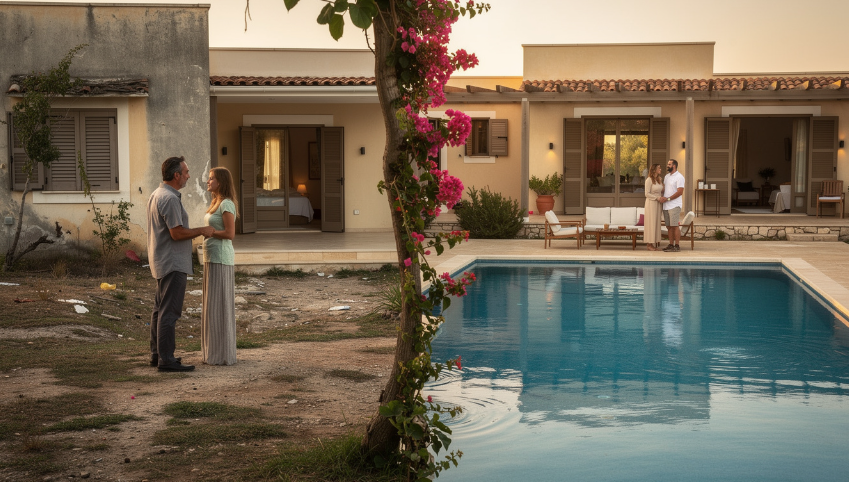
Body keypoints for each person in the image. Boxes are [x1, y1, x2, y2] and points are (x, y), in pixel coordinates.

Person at [147, 156, 214, 372]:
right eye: (186, 172)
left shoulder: (157, 194)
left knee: (160, 310)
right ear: (176, 175)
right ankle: (167, 360)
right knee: (169, 312)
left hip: (162, 260)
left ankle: (157, 355)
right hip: (172, 263)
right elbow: (177, 233)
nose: (188, 176)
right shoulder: (170, 199)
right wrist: (201, 231)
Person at [201, 167, 238, 365]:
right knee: (212, 305)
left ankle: (223, 354)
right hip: (211, 257)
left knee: (220, 305)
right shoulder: (215, 203)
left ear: (220, 182)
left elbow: (230, 234)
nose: (208, 181)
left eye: (211, 178)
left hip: (221, 259)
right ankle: (213, 352)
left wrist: (211, 232)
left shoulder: (226, 204)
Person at [658, 159, 685, 252]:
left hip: (674, 205)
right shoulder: (666, 177)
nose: (667, 165)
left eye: (669, 164)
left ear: (674, 166)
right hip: (666, 205)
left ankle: (677, 246)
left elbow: (680, 192)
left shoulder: (679, 177)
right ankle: (670, 244)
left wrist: (668, 198)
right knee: (669, 226)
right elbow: (664, 189)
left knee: (674, 226)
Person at [643, 163, 664, 251]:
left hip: (658, 204)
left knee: (656, 223)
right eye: (659, 168)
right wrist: (657, 198)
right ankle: (649, 244)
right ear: (654, 169)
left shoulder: (659, 179)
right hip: (651, 203)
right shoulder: (649, 180)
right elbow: (647, 194)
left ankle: (654, 243)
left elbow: (661, 191)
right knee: (651, 223)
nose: (661, 169)